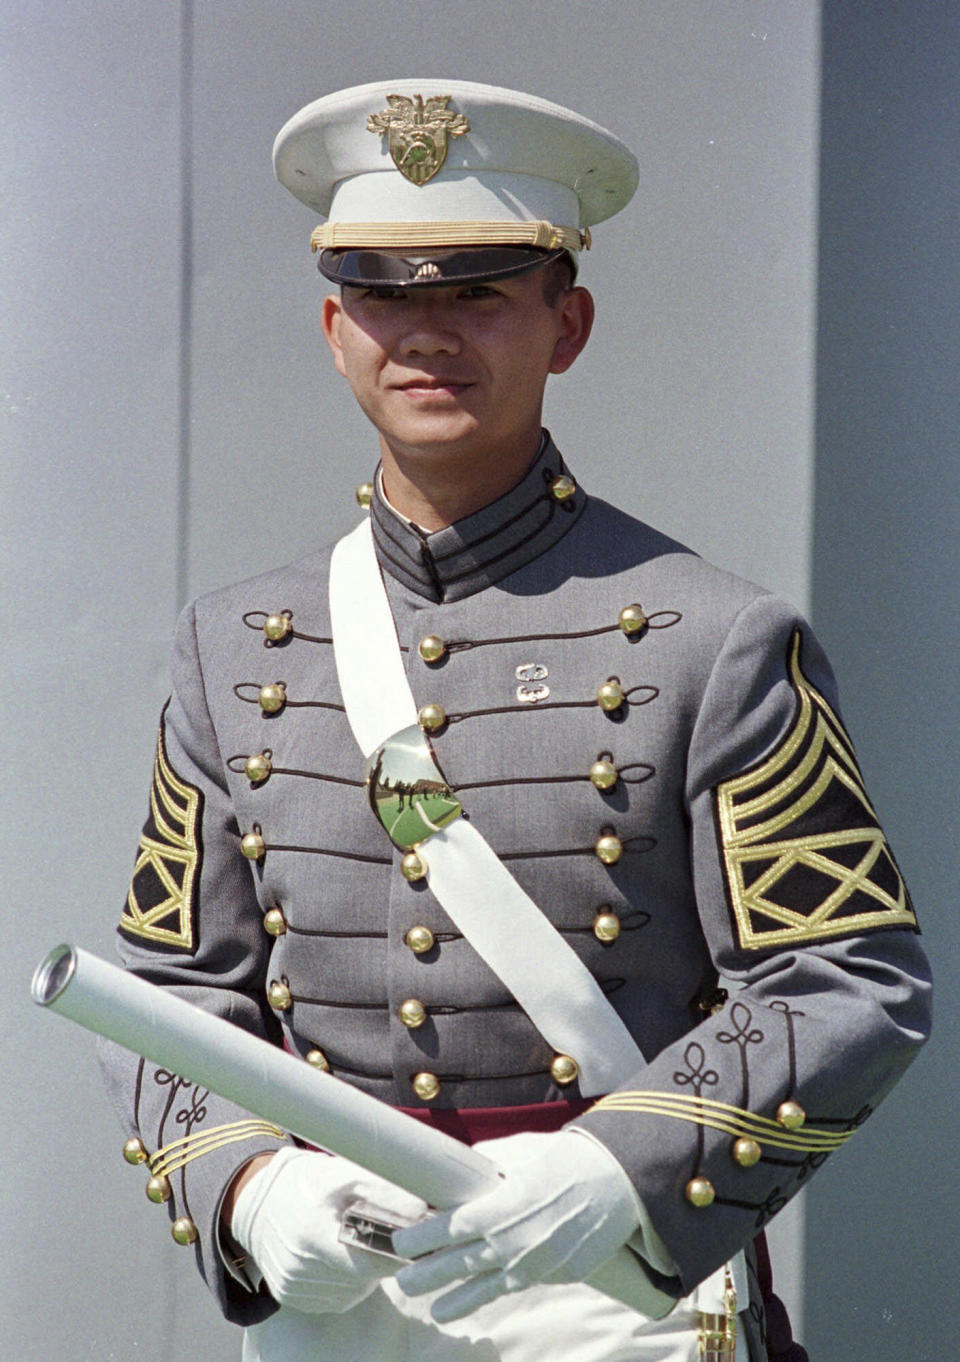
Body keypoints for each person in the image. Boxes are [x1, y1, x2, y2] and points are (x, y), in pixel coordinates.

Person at [100, 80, 931, 1362]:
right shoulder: (231, 648)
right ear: (334, 326)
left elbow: (845, 980)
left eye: (479, 290)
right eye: (385, 291)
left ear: (569, 323)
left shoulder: (716, 637)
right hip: (335, 1296)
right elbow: (169, 991)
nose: (426, 335)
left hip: (608, 1288)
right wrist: (256, 1192)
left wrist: (625, 1169)